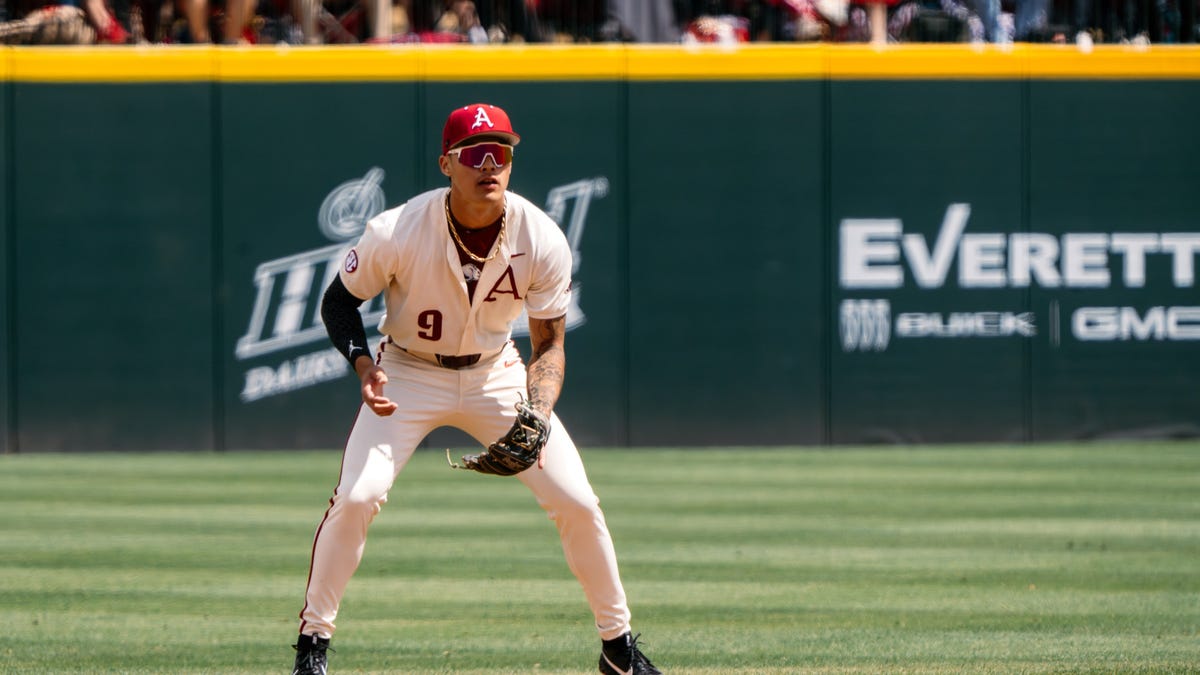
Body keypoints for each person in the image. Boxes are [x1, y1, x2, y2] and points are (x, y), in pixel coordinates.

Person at [291, 103, 662, 675]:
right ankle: (312, 647)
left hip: (497, 373)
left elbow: (550, 345)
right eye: (475, 154)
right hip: (409, 372)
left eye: (502, 153)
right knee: (359, 497)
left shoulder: (541, 236)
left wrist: (536, 412)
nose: (490, 164)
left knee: (578, 501)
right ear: (447, 163)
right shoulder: (396, 229)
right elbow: (338, 302)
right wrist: (364, 365)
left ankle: (619, 648)